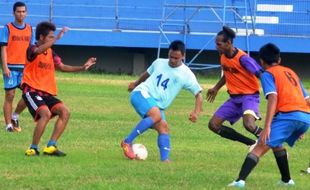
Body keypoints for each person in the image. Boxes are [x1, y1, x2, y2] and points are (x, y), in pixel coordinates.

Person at [228, 43, 310, 188]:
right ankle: (286, 181)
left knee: (260, 145)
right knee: (276, 144)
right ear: (279, 59)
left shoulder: (268, 74)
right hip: (304, 117)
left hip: (288, 116)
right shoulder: (291, 72)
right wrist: (300, 124)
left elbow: (273, 98)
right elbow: (307, 100)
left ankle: (239, 181)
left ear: (261, 61)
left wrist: (266, 127)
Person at [121, 40, 203, 162]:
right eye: (171, 57)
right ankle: (127, 142)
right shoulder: (159, 62)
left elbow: (198, 94)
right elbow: (147, 74)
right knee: (156, 115)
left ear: (183, 56)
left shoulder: (187, 74)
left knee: (163, 127)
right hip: (141, 93)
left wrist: (196, 112)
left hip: (158, 105)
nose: (173, 60)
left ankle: (165, 160)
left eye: (176, 58)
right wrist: (135, 83)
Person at [22, 21, 96, 156]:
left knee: (65, 112)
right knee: (45, 113)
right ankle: (33, 148)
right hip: (31, 91)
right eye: (50, 36)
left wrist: (82, 67)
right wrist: (57, 38)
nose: (52, 38)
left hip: (46, 93)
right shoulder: (31, 49)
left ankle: (51, 146)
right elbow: (39, 50)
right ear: (41, 37)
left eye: (53, 36)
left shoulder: (51, 53)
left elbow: (62, 66)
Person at [206, 26, 263, 147]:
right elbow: (228, 74)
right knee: (213, 125)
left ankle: (275, 145)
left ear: (228, 43)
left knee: (249, 125)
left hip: (250, 97)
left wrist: (273, 92)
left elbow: (261, 74)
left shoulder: (243, 58)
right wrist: (216, 88)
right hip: (234, 99)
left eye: (219, 44)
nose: (217, 47)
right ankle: (251, 144)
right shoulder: (223, 56)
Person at [0, 1, 35, 132]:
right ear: (13, 13)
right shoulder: (7, 28)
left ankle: (15, 116)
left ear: (26, 13)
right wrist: (5, 67)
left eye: (23, 11)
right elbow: (3, 49)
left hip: (25, 68)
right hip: (10, 67)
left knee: (29, 94)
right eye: (18, 11)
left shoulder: (30, 29)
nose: (21, 14)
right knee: (10, 94)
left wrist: (31, 68)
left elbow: (31, 51)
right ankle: (8, 125)